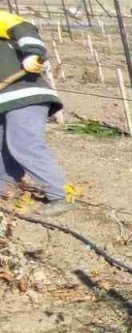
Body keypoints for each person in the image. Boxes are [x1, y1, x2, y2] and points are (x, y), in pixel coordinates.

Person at [0, 10, 72, 216]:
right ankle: (7, 191)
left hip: (23, 92)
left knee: (25, 144)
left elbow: (22, 27)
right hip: (3, 102)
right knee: (2, 147)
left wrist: (32, 52)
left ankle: (63, 196)